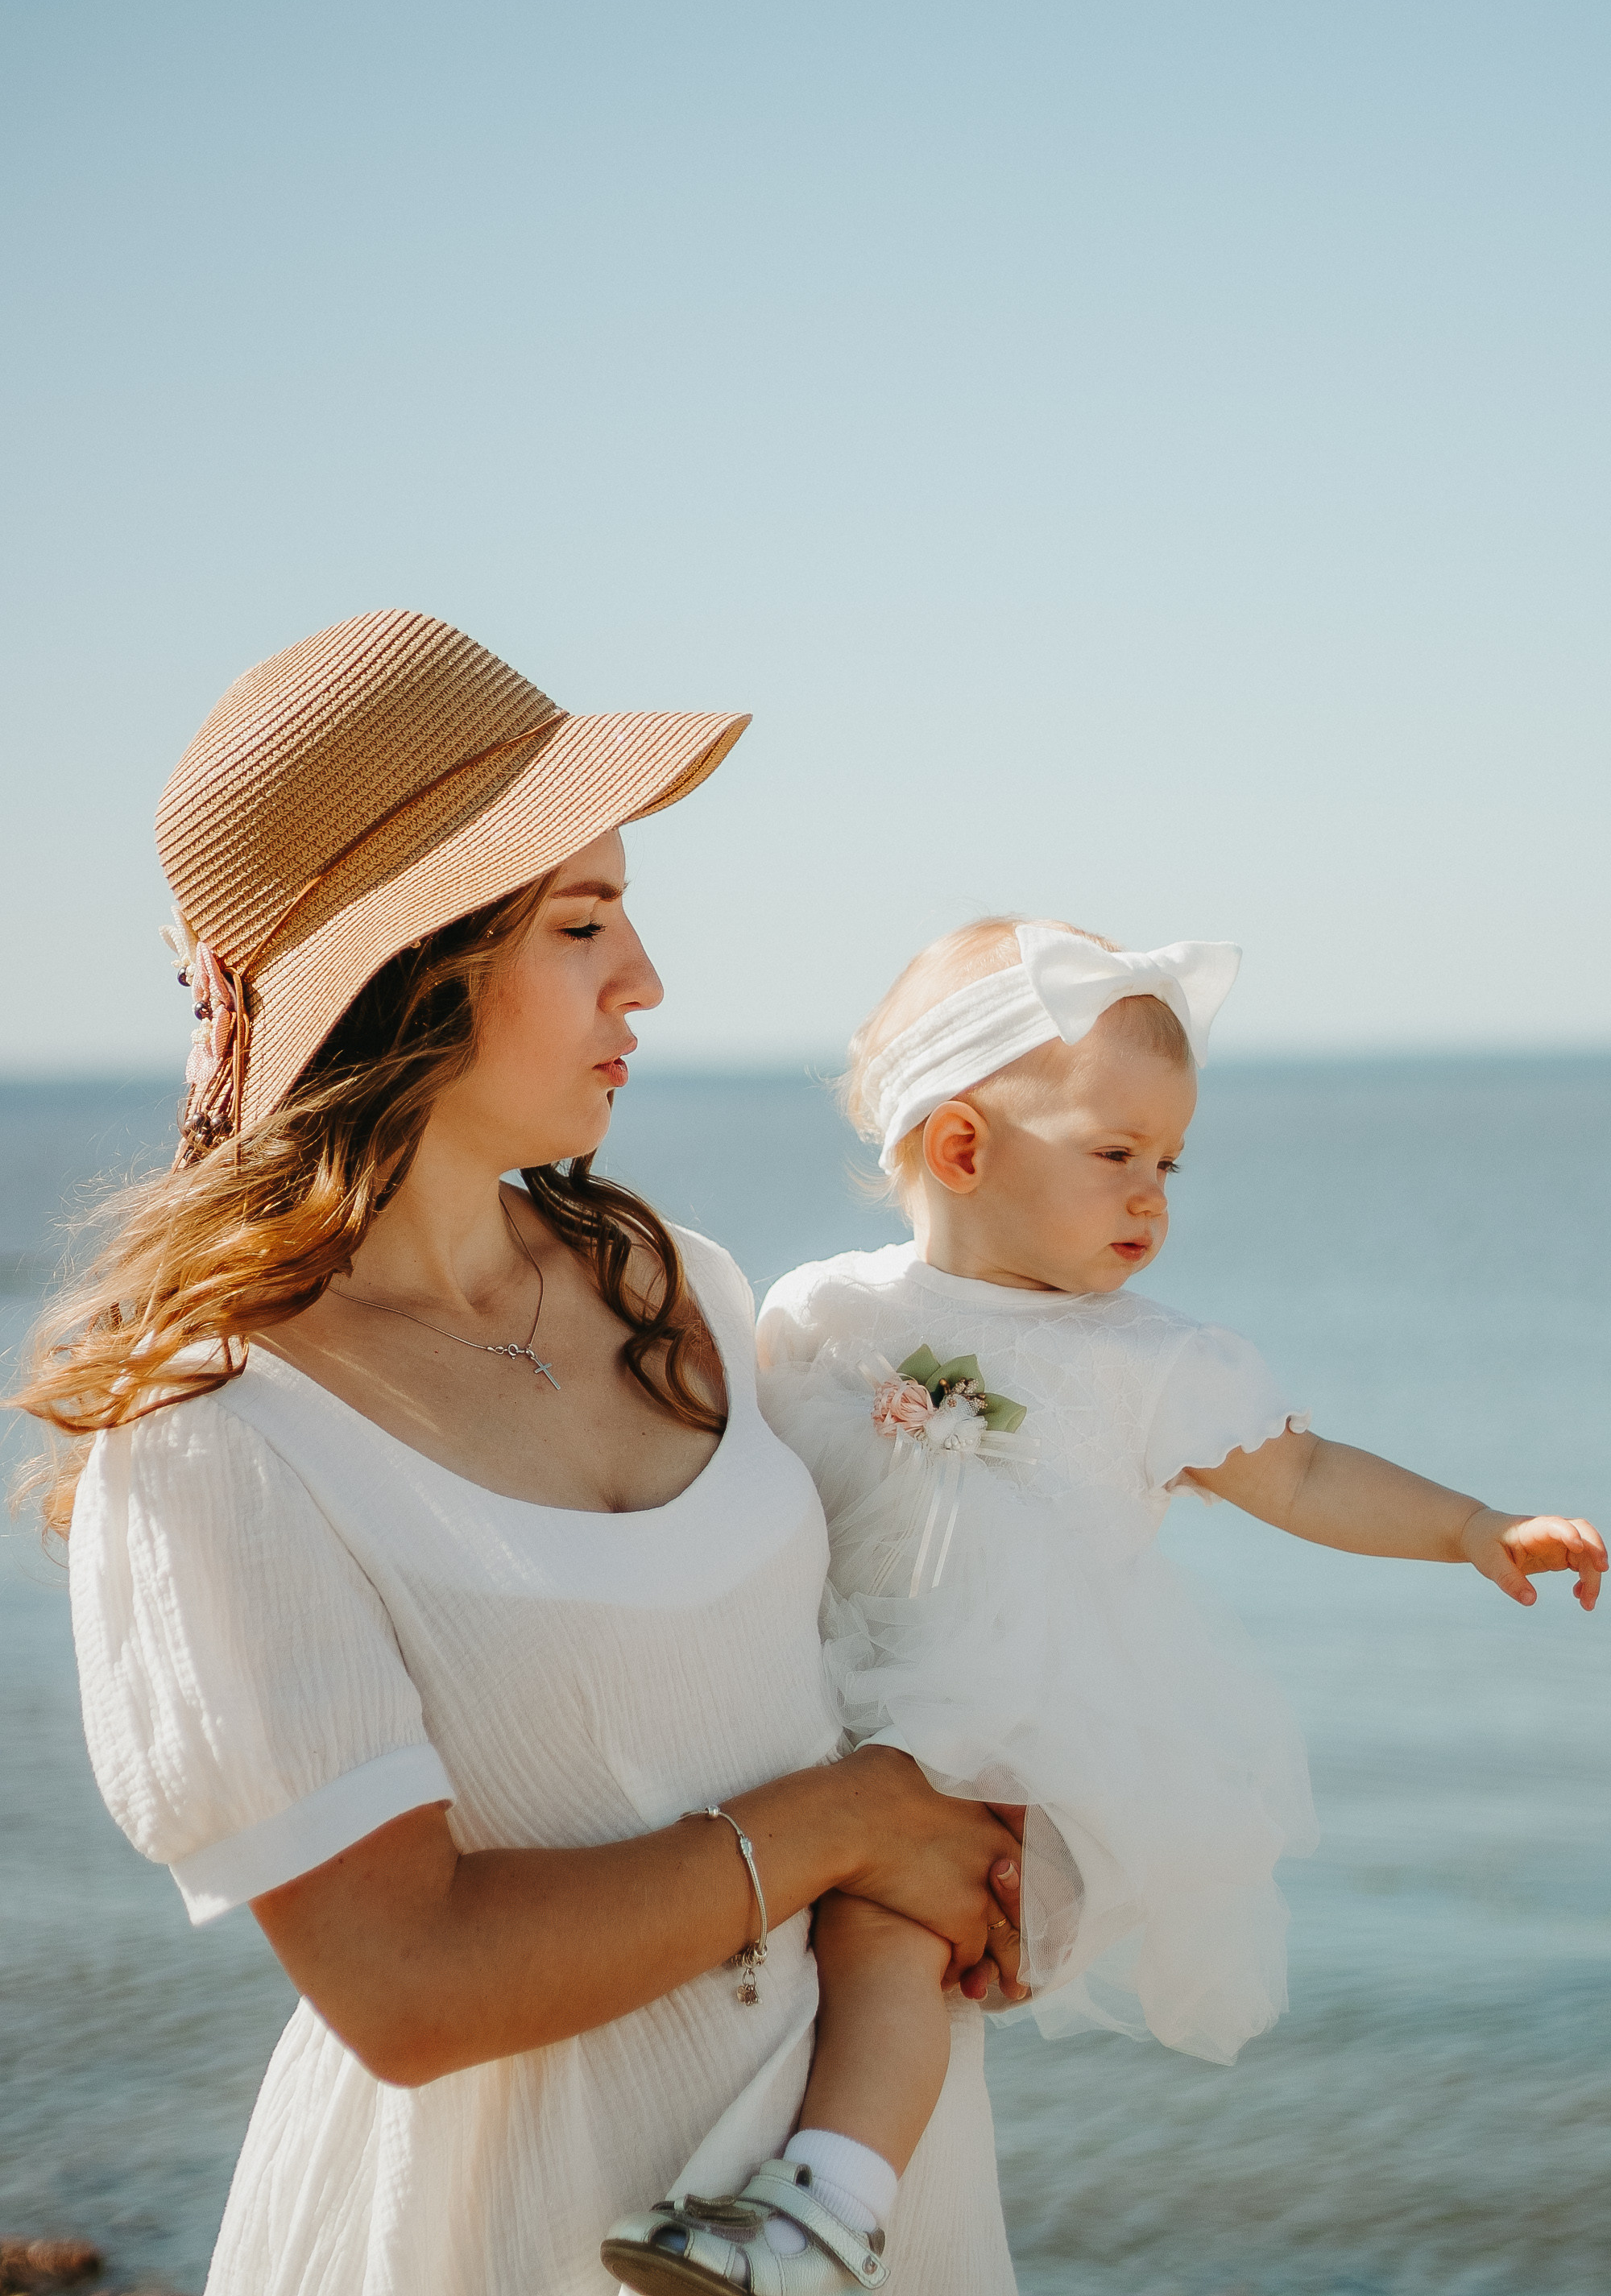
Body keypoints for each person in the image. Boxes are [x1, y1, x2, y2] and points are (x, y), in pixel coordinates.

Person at [10, 612, 1027, 2296]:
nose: (645, 978)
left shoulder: (677, 1287)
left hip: (853, 2206)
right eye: (580, 922)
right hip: (509, 2237)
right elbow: (406, 1989)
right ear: (407, 975)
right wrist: (845, 1827)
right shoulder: (219, 1439)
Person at [605, 914, 1606, 2293]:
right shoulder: (823, 1313)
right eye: (1116, 1156)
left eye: (1170, 1163)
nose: (1156, 1200)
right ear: (963, 1150)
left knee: (886, 1932)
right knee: (807, 1930)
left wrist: (1473, 1529)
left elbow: (1305, 1475)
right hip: (838, 1719)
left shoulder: (1150, 1363)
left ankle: (824, 2212)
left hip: (1036, 1755)